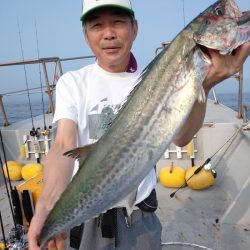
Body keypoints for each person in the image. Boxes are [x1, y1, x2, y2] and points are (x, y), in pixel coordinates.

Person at [28, 0, 250, 249]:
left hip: (140, 218)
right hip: (86, 220)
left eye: (118, 22)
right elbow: (63, 143)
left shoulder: (154, 76)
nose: (109, 33)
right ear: (86, 35)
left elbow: (182, 138)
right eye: (97, 25)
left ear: (135, 28)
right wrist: (46, 208)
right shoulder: (73, 82)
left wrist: (205, 85)